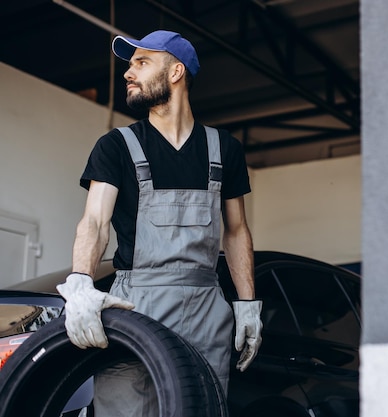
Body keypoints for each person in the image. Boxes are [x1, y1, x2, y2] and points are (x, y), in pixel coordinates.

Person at [56, 30, 262, 415]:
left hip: (207, 308)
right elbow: (95, 221)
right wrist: (81, 280)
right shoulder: (117, 145)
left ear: (176, 71)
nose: (128, 73)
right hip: (136, 305)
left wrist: (248, 304)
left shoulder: (224, 149)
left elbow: (235, 231)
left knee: (200, 407)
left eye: (141, 62)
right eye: (130, 65)